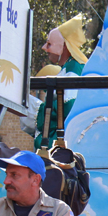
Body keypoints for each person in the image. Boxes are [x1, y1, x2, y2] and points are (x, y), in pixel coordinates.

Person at [32, 16, 90, 149]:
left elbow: (68, 107)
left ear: (63, 46)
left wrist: (40, 112)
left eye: (50, 44)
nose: (45, 48)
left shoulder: (74, 68)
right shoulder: (67, 67)